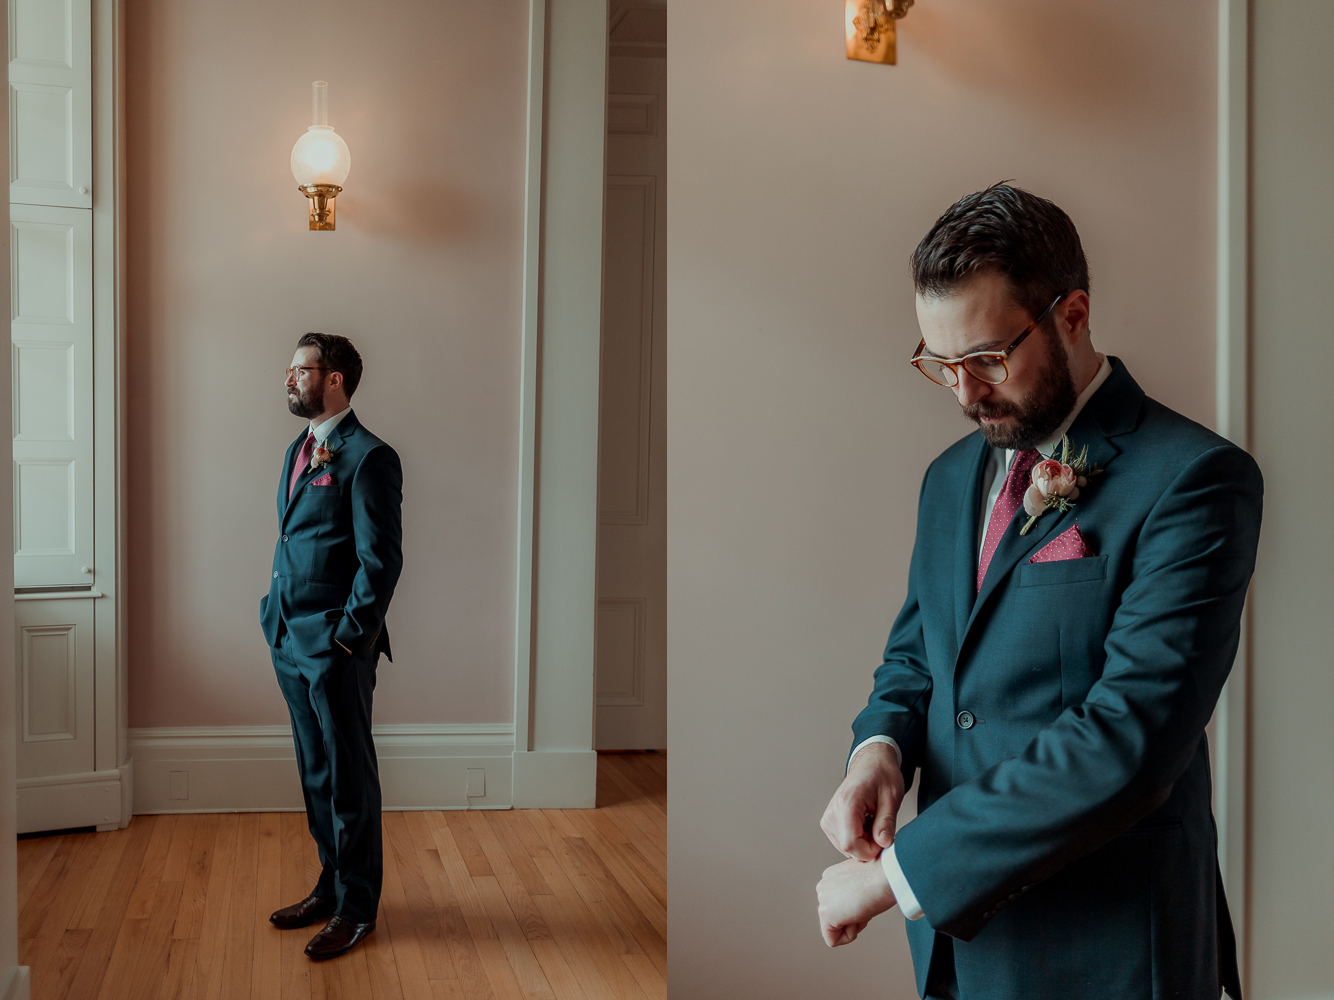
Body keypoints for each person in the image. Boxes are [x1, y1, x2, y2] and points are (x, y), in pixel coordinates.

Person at [815, 184, 1261, 1000]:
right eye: (939, 363)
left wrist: (900, 876)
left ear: (1073, 314)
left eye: (987, 359)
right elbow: (919, 655)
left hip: (1110, 948)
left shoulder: (1195, 480)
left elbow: (1130, 737)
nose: (964, 393)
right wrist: (877, 752)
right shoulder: (949, 479)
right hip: (961, 941)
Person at [260, 332, 403, 960]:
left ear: (336, 378)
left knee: (350, 774)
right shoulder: (300, 446)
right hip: (288, 635)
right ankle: (330, 882)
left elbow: (382, 562)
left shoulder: (369, 457)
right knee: (315, 770)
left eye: (301, 369)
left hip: (336, 647)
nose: (290, 379)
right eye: (290, 369)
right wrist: (276, 618)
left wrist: (349, 640)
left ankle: (358, 907)